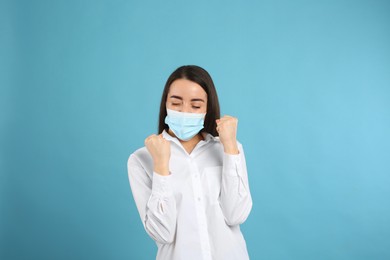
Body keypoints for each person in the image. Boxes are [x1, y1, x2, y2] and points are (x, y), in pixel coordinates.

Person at [127, 65, 253, 260]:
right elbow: (162, 234)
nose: (185, 111)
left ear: (207, 109)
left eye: (195, 106)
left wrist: (230, 149)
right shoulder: (141, 160)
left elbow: (236, 215)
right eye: (176, 103)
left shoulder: (229, 148)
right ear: (165, 104)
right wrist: (161, 167)